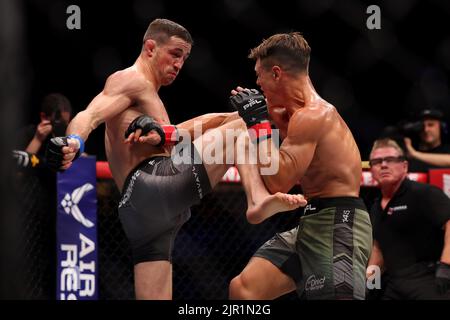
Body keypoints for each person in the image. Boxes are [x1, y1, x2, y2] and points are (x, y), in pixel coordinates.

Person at [45, 18, 306, 300]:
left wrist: (245, 111)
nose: (179, 64)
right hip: (153, 184)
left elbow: (196, 126)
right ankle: (257, 200)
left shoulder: (149, 99)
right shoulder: (131, 79)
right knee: (244, 128)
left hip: (140, 213)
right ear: (150, 48)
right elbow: (90, 114)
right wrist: (74, 141)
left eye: (185, 58)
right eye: (175, 54)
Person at [228, 32, 373, 300]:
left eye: (259, 75)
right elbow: (224, 121)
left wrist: (259, 125)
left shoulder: (314, 116)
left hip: (340, 222)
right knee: (244, 289)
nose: (256, 83)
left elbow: (277, 181)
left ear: (276, 73)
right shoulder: (285, 113)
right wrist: (168, 133)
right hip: (310, 220)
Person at [367, 138, 450, 299]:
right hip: (394, 285)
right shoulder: (375, 208)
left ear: (404, 166)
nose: (383, 165)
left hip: (429, 280)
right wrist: (370, 284)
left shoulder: (424, 193)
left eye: (390, 160)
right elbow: (377, 251)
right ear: (371, 169)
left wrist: (447, 266)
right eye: (377, 161)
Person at [17, 93, 72, 157]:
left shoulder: (67, 137)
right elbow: (21, 163)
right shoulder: (26, 134)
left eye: (66, 122)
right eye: (60, 123)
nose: (64, 126)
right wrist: (37, 139)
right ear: (44, 117)